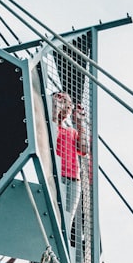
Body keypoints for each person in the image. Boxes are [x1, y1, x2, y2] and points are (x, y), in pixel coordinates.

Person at [52, 91, 88, 241]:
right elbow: (50, 138)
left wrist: (79, 122)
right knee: (54, 215)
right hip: (56, 176)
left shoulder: (71, 132)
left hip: (74, 180)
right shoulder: (53, 127)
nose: (66, 106)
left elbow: (84, 149)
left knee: (67, 219)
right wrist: (55, 109)